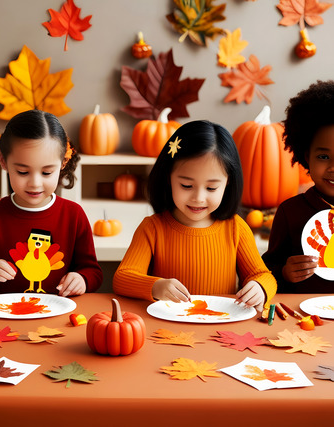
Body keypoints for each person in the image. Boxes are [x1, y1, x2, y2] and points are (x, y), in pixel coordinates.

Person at [113, 120, 276, 311]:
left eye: (211, 188)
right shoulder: (152, 227)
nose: (198, 198)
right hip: (166, 329)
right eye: (186, 186)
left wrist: (260, 288)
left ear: (228, 183)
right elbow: (122, 278)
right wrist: (156, 286)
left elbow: (264, 275)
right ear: (169, 178)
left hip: (221, 327)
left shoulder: (235, 227)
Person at [0, 109, 102, 296]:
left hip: (56, 314)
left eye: (46, 173)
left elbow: (93, 272)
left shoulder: (74, 215)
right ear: (3, 161)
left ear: (63, 163)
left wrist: (82, 279)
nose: (35, 183)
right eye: (22, 172)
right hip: (2, 313)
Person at [263, 80, 334, 293]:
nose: (332, 168)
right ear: (306, 157)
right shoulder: (290, 211)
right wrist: (284, 273)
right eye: (323, 156)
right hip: (301, 317)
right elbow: (264, 271)